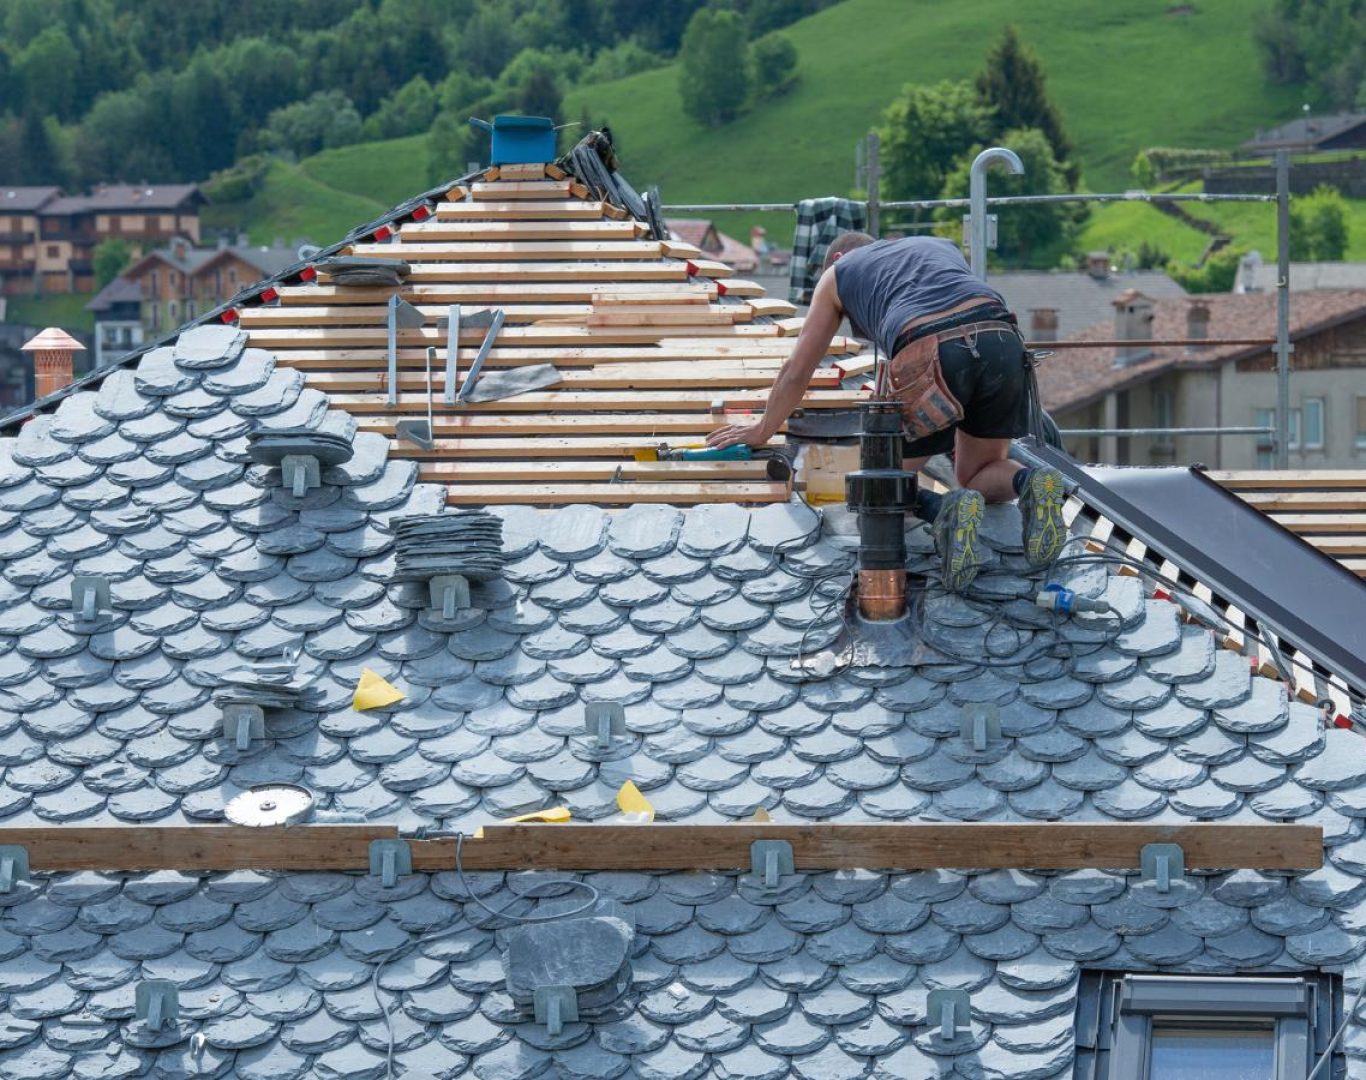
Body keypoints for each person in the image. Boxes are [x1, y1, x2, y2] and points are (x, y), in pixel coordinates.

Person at [707, 232, 1067, 591]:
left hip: (931, 349)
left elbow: (797, 370)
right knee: (977, 472)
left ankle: (943, 510)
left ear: (836, 260)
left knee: (879, 484)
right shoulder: (936, 245)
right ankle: (1030, 481)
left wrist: (762, 429)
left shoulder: (837, 274)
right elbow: (955, 310)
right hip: (1002, 340)